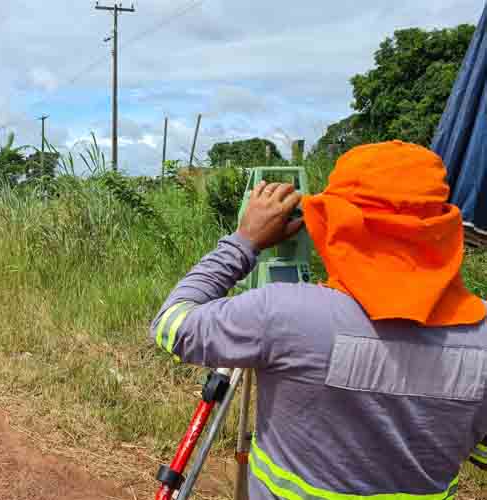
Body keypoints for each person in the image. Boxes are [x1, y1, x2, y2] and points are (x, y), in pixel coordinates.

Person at [151, 141, 487, 500]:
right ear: (443, 229)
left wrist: (243, 242)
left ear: (334, 222)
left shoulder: (285, 315)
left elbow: (172, 325)